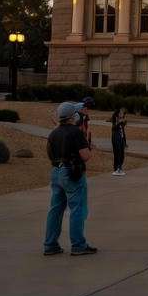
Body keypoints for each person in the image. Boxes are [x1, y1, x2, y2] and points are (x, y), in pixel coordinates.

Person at [44, 101, 96, 256]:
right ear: (73, 116)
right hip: (72, 172)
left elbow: (49, 153)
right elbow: (85, 156)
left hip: (56, 171)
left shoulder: (53, 133)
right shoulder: (75, 132)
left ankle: (50, 244)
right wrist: (89, 149)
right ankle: (78, 244)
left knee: (56, 209)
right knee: (77, 209)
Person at [109, 108, 127, 176]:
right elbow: (113, 128)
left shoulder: (122, 121)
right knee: (117, 153)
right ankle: (117, 168)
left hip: (121, 139)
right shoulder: (115, 119)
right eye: (121, 113)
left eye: (123, 113)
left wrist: (125, 141)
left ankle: (120, 167)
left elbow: (123, 131)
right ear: (118, 114)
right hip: (116, 139)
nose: (122, 114)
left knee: (122, 154)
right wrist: (119, 123)